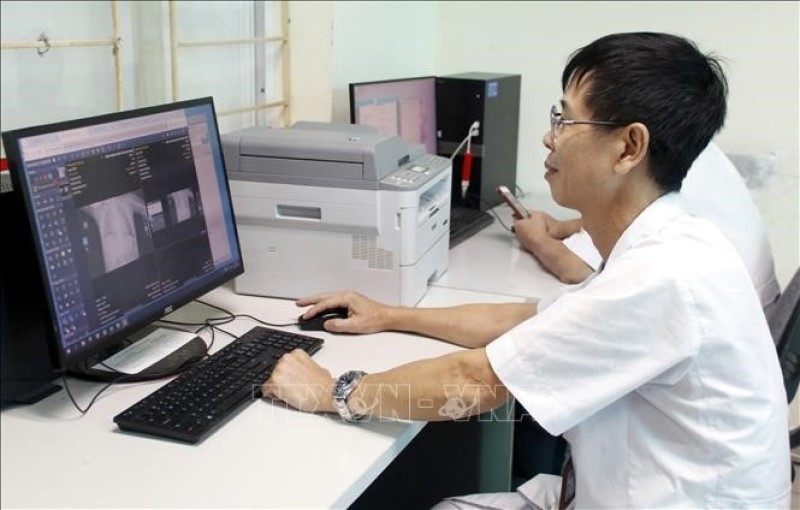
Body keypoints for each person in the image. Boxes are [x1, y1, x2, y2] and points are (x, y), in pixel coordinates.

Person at [262, 32, 791, 508]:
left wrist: (331, 392)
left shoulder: (663, 274)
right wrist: (391, 315)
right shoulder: (666, 241)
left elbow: (475, 380)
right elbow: (527, 318)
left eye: (566, 121)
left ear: (629, 148)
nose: (549, 137)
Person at [513, 142, 781, 308]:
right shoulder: (689, 148)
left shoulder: (653, 163)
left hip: (718, 319)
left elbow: (578, 269)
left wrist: (537, 240)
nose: (551, 138)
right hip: (748, 314)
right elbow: (640, 218)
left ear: (631, 142)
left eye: (570, 120)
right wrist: (563, 228)